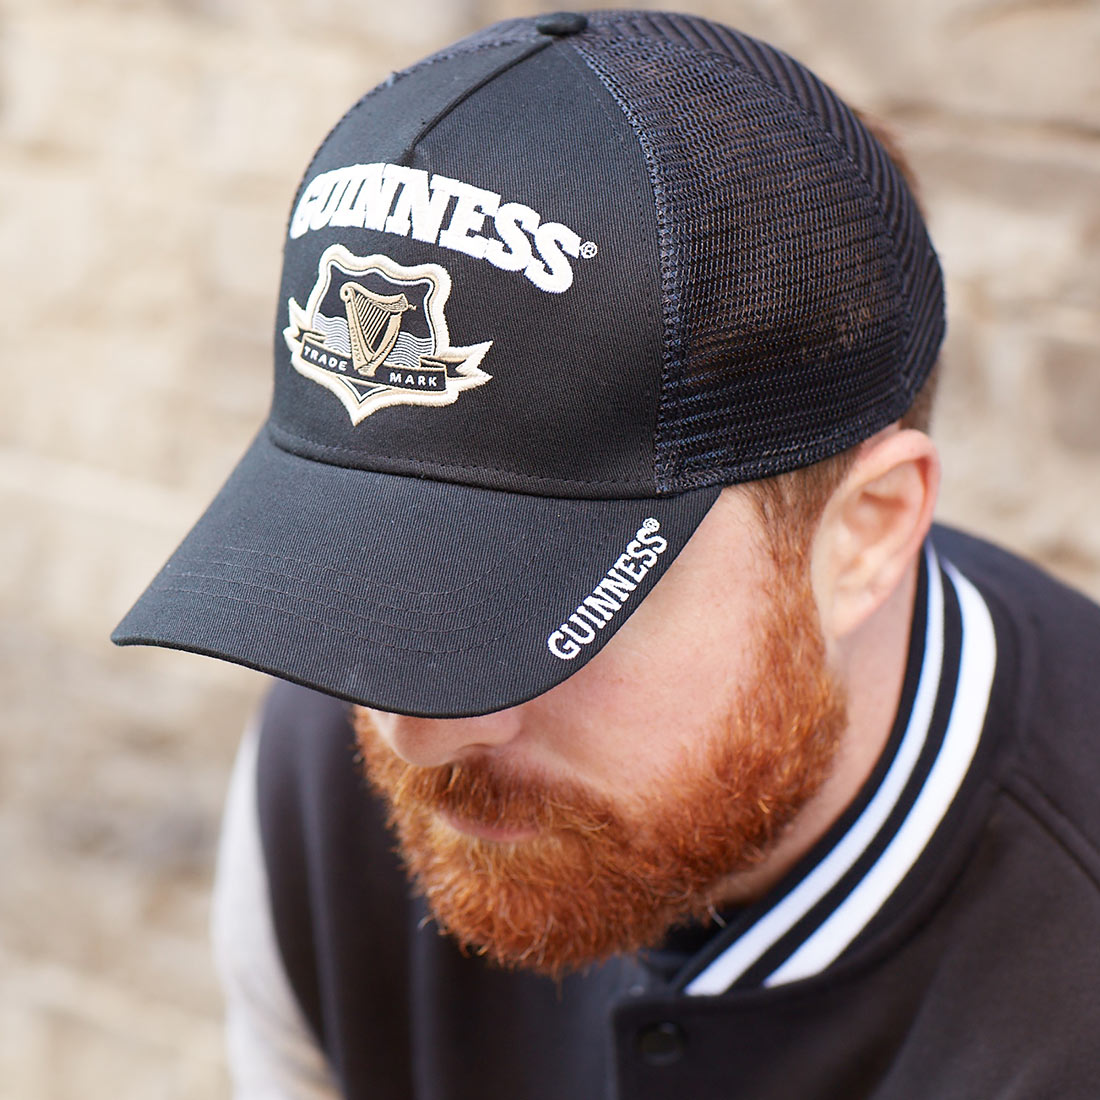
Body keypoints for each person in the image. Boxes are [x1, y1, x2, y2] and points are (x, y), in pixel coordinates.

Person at [112, 10, 1100, 1098]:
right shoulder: (325, 772)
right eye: (373, 574)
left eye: (539, 593)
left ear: (861, 533)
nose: (414, 729)